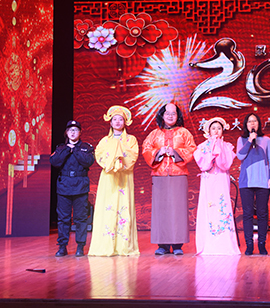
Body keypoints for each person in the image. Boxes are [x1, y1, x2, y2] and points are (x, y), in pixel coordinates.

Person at [142, 103, 196, 255]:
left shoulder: (184, 133)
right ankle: (163, 245)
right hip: (159, 175)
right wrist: (158, 152)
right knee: (161, 210)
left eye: (173, 113)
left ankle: (178, 245)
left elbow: (192, 149)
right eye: (167, 113)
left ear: (178, 116)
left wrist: (175, 152)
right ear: (162, 115)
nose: (170, 116)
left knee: (178, 210)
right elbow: (146, 148)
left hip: (179, 174)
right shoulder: (154, 134)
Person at [89, 106, 140, 256]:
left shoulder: (131, 140)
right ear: (110, 122)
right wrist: (111, 161)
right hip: (109, 176)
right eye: (115, 119)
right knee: (107, 207)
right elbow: (99, 154)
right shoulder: (105, 141)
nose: (117, 122)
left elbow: (132, 156)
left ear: (125, 122)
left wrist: (119, 153)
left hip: (124, 176)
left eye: (121, 119)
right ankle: (106, 245)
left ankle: (124, 246)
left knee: (124, 207)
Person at [193, 117, 240, 255]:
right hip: (208, 179)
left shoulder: (227, 146)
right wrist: (211, 149)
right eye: (213, 128)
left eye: (219, 128)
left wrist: (218, 148)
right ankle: (207, 243)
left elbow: (225, 164)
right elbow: (203, 165)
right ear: (208, 130)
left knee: (222, 205)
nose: (216, 131)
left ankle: (224, 243)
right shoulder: (202, 147)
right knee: (208, 207)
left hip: (221, 178)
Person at [50, 120, 95, 257]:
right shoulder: (61, 148)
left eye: (75, 130)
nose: (73, 132)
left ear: (80, 132)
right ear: (66, 133)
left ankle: (80, 246)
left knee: (80, 218)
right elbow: (54, 162)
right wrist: (67, 149)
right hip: (64, 186)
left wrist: (74, 150)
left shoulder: (86, 148)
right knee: (63, 218)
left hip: (80, 186)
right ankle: (62, 246)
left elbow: (88, 162)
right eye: (70, 130)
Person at [236, 113, 270, 255]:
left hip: (262, 181)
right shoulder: (241, 140)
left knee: (262, 213)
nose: (252, 123)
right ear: (246, 125)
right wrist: (249, 141)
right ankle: (249, 245)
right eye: (249, 121)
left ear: (259, 124)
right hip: (246, 181)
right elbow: (240, 156)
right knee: (247, 214)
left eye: (255, 121)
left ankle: (262, 244)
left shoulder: (266, 140)